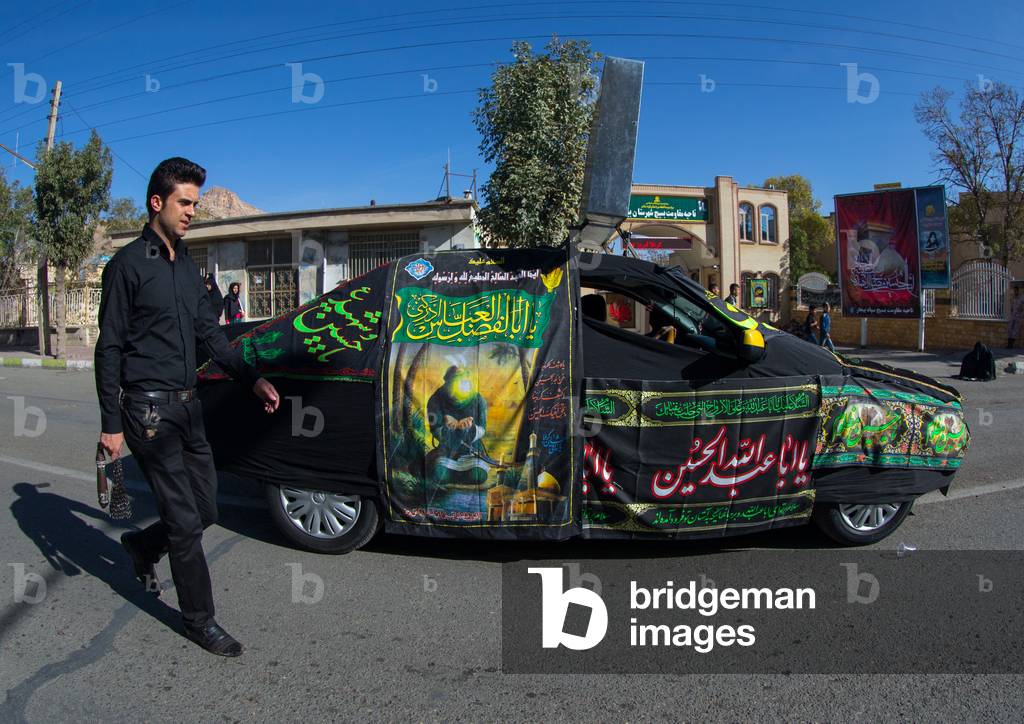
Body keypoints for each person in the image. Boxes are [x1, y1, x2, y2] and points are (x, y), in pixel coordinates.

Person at [95, 157, 281, 657]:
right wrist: (111, 426)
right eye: (185, 202)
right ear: (157, 202)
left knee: (206, 508)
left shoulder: (187, 268)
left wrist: (252, 379)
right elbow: (108, 347)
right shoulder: (127, 266)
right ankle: (200, 621)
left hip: (188, 408)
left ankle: (141, 545)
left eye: (196, 203)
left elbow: (211, 336)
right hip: (147, 414)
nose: (192, 211)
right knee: (184, 521)